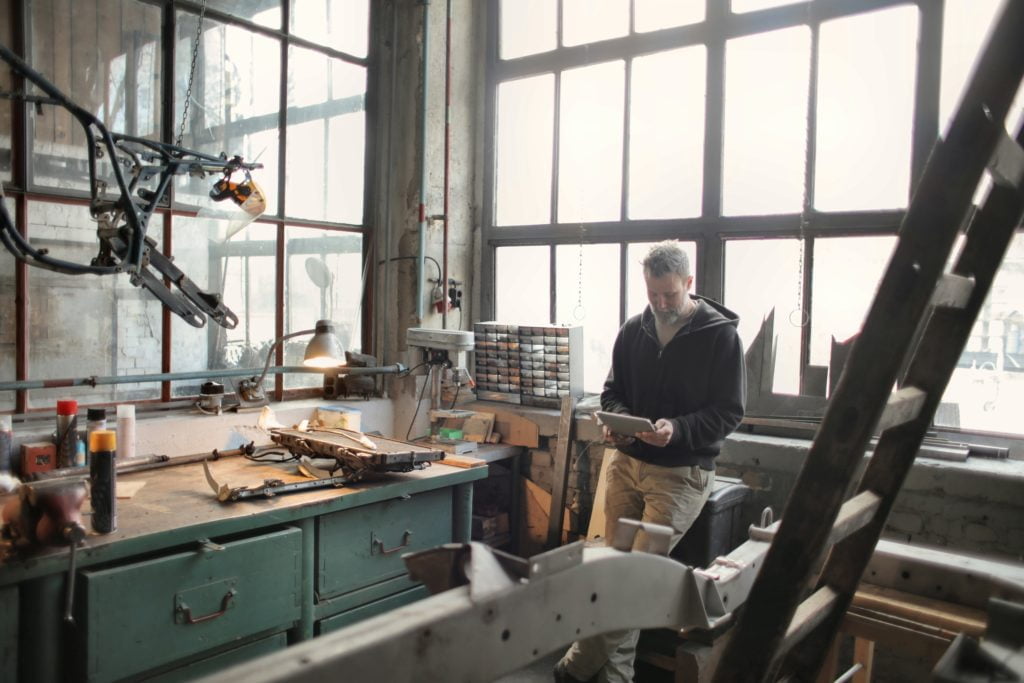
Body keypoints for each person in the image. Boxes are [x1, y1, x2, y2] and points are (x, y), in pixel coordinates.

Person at [554, 240, 746, 683]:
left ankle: (576, 667)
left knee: (634, 579)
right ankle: (615, 677)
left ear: (689, 284)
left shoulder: (720, 337)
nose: (661, 304)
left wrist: (676, 430)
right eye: (653, 294)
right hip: (624, 464)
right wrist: (617, 420)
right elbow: (612, 390)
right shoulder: (634, 329)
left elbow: (729, 411)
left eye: (670, 295)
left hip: (681, 476)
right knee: (615, 571)